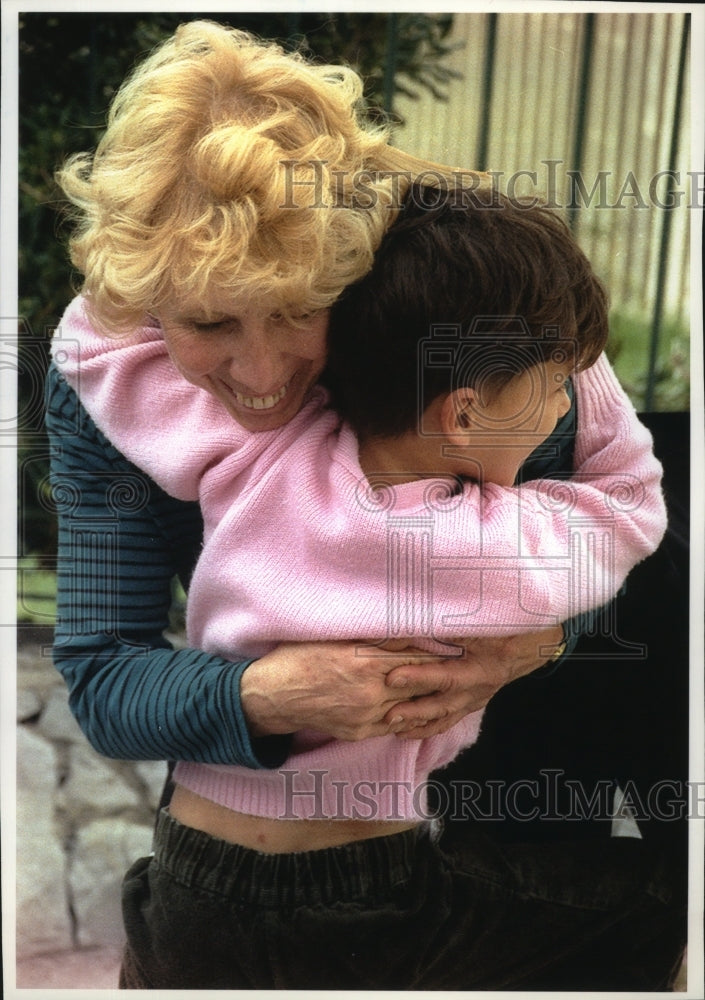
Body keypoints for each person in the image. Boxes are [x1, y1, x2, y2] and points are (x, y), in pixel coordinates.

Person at [45, 20, 686, 990]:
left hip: (522, 779)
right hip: (279, 827)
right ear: (138, 308)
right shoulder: (105, 377)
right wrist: (269, 694)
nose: (259, 377)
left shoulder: (479, 303)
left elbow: (635, 540)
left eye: (301, 312)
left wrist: (538, 640)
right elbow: (102, 678)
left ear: (359, 255)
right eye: (209, 324)